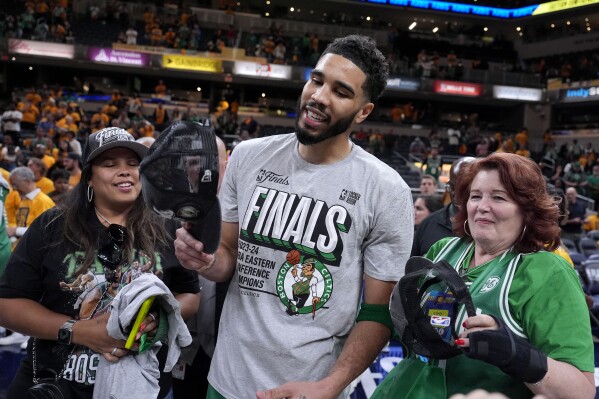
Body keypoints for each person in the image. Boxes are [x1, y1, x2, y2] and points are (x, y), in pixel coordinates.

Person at [173, 35, 413, 399]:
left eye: (341, 91)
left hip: (312, 388)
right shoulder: (248, 157)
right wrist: (203, 259)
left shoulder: (386, 188)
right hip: (226, 381)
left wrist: (330, 386)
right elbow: (226, 258)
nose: (318, 96)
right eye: (317, 80)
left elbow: (378, 312)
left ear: (363, 111)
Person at [0, 127, 200, 398]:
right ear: (89, 178)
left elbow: (189, 293)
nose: (125, 170)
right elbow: (8, 304)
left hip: (140, 387)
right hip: (57, 383)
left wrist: (159, 316)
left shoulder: (167, 226)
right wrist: (77, 331)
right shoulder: (53, 226)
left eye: (133, 164)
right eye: (109, 164)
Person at [374, 152, 595, 399]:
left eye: (499, 197)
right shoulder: (443, 250)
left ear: (528, 209)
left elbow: (581, 392)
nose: (482, 206)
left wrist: (515, 354)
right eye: (475, 196)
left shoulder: (545, 271)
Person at [411, 157, 475, 256]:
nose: (458, 193)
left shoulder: (489, 227)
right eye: (453, 187)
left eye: (465, 187)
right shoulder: (428, 224)